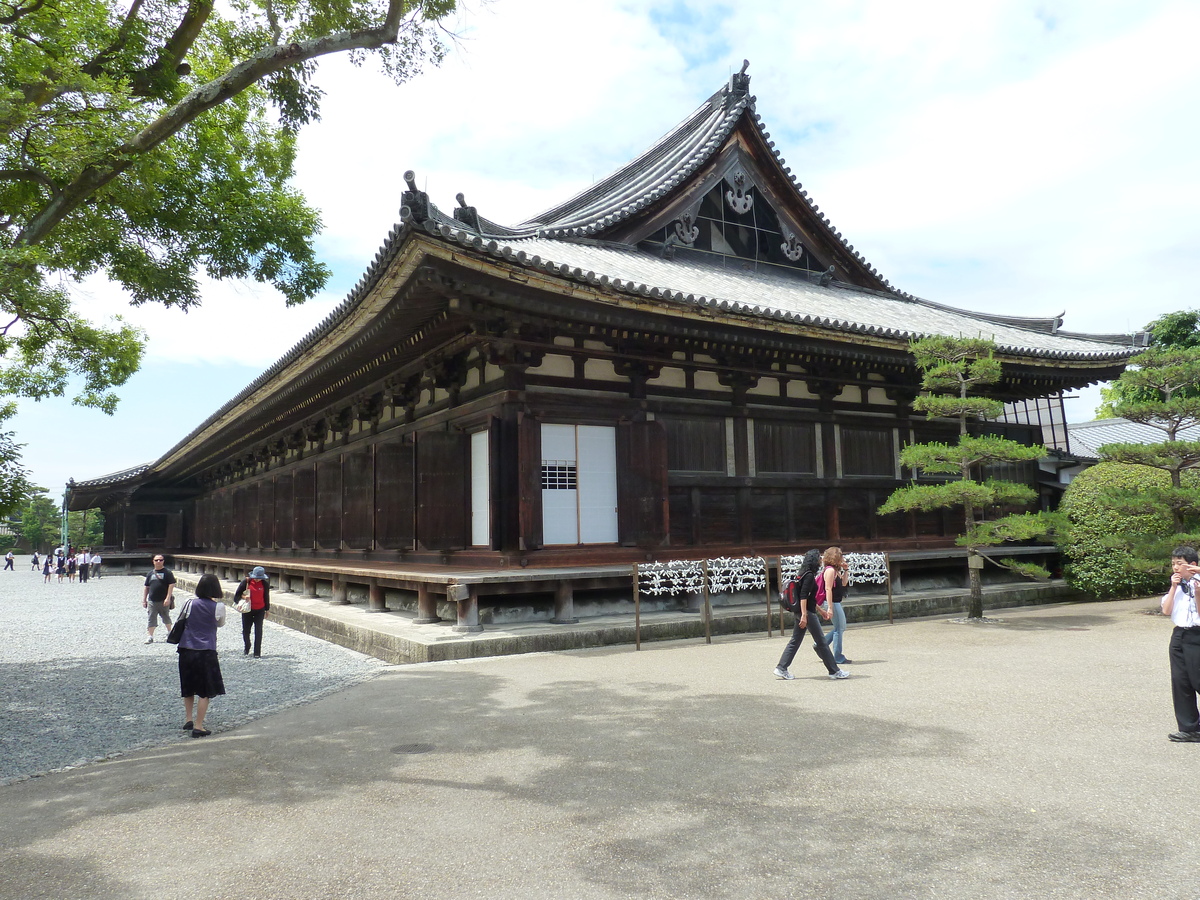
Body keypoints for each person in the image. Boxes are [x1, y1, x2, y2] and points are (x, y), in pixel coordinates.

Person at [774, 549, 848, 681]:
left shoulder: (802, 574)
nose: (821, 561)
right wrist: (804, 615)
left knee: (795, 640)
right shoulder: (808, 576)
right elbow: (803, 597)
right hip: (807, 613)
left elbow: (809, 598)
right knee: (821, 641)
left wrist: (821, 610)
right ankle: (834, 670)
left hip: (803, 611)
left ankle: (781, 667)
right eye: (818, 558)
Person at [177, 572, 227, 738]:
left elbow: (182, 620)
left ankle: (188, 719)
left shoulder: (189, 603)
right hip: (206, 650)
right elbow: (220, 623)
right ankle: (199, 726)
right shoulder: (218, 607)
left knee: (188, 686)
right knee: (204, 690)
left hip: (186, 649)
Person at [1162, 546, 1200, 742]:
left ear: (1192, 564)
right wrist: (1173, 587)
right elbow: (1167, 611)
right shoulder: (1176, 585)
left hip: (1198, 634)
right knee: (1181, 681)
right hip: (1179, 635)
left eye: (1179, 563)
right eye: (1173, 563)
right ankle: (1189, 728)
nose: (1175, 567)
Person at [821, 547, 852, 665]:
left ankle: (820, 644)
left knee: (840, 627)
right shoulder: (830, 571)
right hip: (832, 602)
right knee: (840, 628)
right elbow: (828, 588)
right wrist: (829, 607)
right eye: (840, 556)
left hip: (836, 601)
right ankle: (837, 656)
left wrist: (846, 570)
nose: (842, 558)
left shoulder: (835, 570)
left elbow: (844, 583)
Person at [232, 566, 271, 657]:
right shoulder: (246, 582)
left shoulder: (264, 584)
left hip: (260, 609)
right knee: (246, 630)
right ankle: (247, 645)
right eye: (256, 578)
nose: (257, 580)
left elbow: (266, 597)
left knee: (259, 631)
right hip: (247, 610)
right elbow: (236, 596)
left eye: (259, 578)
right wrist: (244, 597)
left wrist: (267, 609)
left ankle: (257, 652)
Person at [142, 554, 176, 643]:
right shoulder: (150, 573)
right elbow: (146, 587)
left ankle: (170, 633)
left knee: (166, 617)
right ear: (153, 561)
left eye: (160, 560)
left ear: (163, 561)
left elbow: (171, 585)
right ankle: (150, 636)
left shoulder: (167, 572)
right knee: (151, 617)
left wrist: (168, 598)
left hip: (163, 599)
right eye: (156, 560)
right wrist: (144, 599)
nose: (158, 562)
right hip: (152, 600)